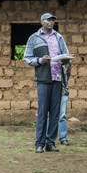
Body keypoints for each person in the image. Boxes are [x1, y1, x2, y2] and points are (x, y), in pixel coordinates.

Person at [23, 12, 70, 153]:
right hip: (43, 79)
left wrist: (66, 59)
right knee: (43, 112)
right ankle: (39, 143)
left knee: (55, 113)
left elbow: (66, 53)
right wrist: (40, 60)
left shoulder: (59, 37)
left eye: (53, 20)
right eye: (49, 20)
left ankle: (51, 142)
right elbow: (27, 58)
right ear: (42, 21)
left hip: (57, 79)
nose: (51, 22)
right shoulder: (34, 38)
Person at [58, 61, 72, 146]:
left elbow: (67, 75)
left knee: (62, 115)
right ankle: (47, 138)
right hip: (51, 91)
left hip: (63, 91)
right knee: (48, 115)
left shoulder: (67, 63)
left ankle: (63, 138)